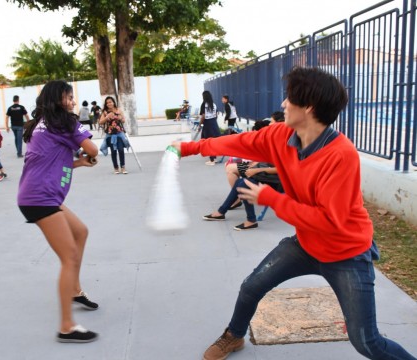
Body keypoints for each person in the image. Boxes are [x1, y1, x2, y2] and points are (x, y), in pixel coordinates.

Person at [172, 67, 416, 360]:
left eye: (289, 98)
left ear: (309, 107)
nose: (284, 104)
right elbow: (239, 142)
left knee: (367, 342)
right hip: (306, 245)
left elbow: (328, 221)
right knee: (251, 286)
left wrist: (270, 198)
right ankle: (234, 337)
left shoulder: (341, 155)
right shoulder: (281, 135)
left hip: (346, 253)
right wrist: (189, 147)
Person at [17, 80, 99, 343]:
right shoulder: (64, 122)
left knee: (81, 232)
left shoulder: (43, 123)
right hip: (41, 197)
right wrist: (88, 150)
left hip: (38, 193)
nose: (73, 101)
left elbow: (50, 160)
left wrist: (79, 164)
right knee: (70, 256)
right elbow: (93, 148)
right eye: (69, 96)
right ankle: (66, 326)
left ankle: (74, 289)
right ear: (57, 98)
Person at [99, 96, 129, 174]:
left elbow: (123, 121)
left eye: (110, 102)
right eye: (107, 102)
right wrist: (107, 117)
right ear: (106, 104)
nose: (109, 103)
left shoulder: (118, 110)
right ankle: (116, 168)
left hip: (119, 133)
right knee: (113, 151)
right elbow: (100, 122)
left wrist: (120, 117)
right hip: (110, 135)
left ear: (113, 102)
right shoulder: (105, 112)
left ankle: (123, 167)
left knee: (121, 149)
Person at [199, 90, 220, 165]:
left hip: (207, 125)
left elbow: (203, 116)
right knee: (213, 141)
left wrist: (200, 125)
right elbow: (216, 115)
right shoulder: (214, 104)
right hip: (214, 123)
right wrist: (213, 121)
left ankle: (212, 160)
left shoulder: (204, 104)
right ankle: (214, 158)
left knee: (207, 142)